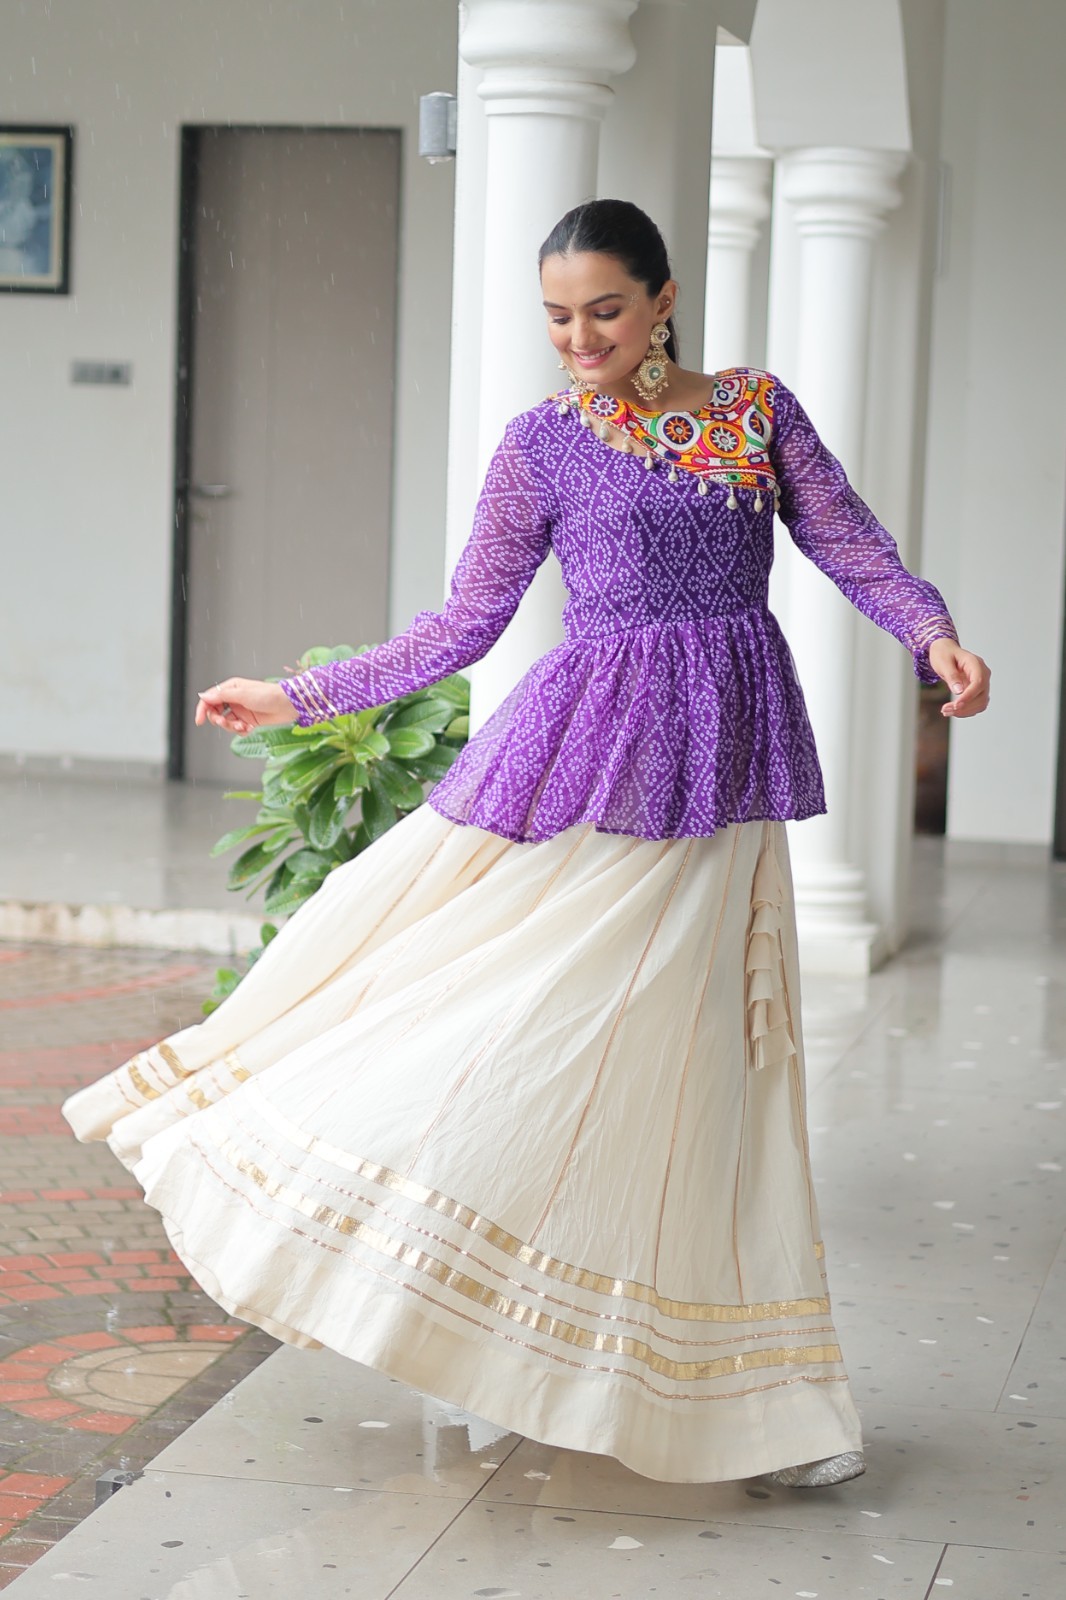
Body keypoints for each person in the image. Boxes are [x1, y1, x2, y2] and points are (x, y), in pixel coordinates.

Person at [63, 199, 990, 1488]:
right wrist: (298, 696)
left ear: (664, 300)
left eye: (605, 310)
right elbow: (467, 622)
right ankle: (470, 1307)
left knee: (700, 1078)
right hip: (592, 767)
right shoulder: (542, 444)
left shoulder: (755, 411)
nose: (581, 338)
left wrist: (929, 629)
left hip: (725, 775)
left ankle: (735, 1401)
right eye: (558, 317)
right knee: (527, 1029)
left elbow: (846, 538)